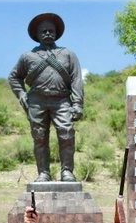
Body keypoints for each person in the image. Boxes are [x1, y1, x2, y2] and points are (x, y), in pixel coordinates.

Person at [9, 12, 84, 183]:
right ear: (36, 35)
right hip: (37, 101)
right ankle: (43, 173)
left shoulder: (68, 54)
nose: (47, 34)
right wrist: (21, 94)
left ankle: (67, 172)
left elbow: (77, 79)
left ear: (56, 33)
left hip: (62, 100)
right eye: (43, 31)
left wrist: (78, 104)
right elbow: (14, 77)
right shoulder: (27, 56)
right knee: (39, 137)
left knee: (67, 134)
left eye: (51, 31)